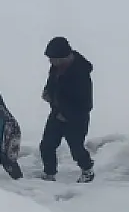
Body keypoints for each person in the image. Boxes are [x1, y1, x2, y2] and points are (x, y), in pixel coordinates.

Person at [39, 36, 95, 182]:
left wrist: (67, 114)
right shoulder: (56, 67)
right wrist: (48, 93)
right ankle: (49, 173)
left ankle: (87, 170)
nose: (50, 62)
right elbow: (52, 83)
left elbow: (86, 104)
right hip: (57, 112)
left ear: (64, 57)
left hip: (76, 118)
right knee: (46, 145)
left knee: (76, 147)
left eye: (53, 58)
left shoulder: (81, 74)